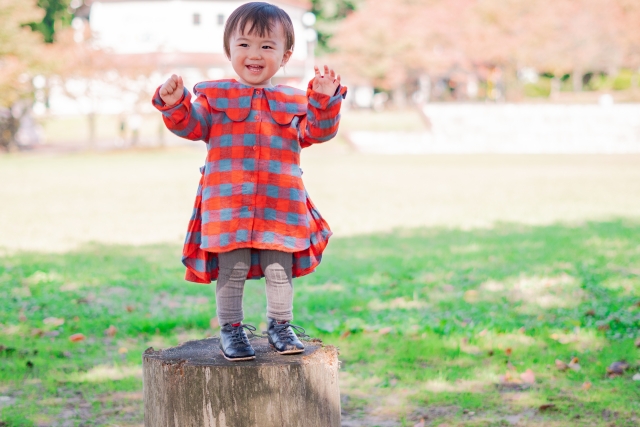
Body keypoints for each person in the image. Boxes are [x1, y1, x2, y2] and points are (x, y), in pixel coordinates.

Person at [152, 2, 346, 361]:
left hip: (280, 202)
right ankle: (231, 330)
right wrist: (175, 102)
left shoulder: (294, 102)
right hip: (228, 202)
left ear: (285, 55)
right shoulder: (215, 97)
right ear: (229, 50)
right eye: (244, 44)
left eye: (267, 46)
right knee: (232, 266)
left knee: (279, 266)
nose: (254, 54)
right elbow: (191, 125)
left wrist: (323, 99)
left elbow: (318, 132)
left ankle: (280, 325)